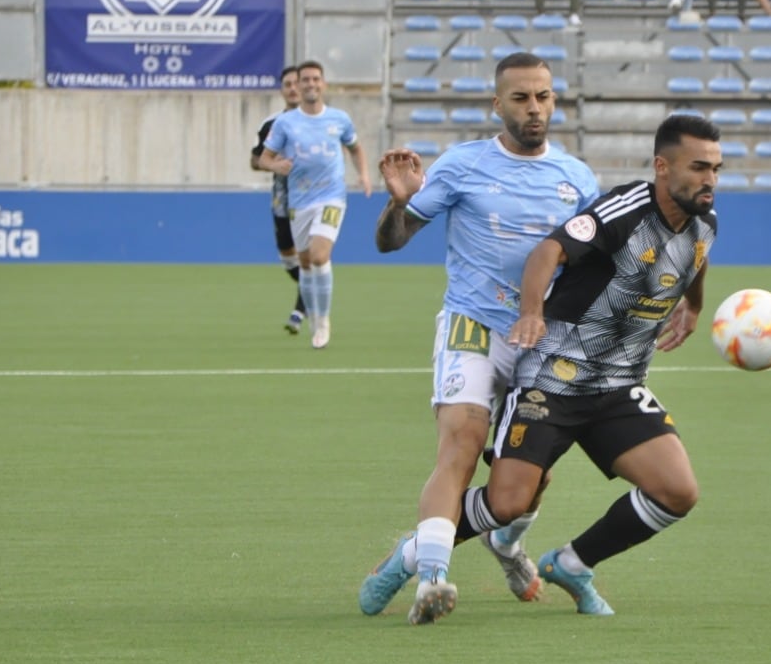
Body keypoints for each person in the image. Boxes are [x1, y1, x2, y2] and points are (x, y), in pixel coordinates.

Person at [359, 52, 602, 625]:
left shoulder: (578, 179)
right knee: (462, 443)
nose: (534, 108)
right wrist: (399, 203)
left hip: (542, 338)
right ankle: (431, 576)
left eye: (542, 96)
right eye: (520, 98)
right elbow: (391, 242)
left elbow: (596, 266)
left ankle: (505, 545)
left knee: (530, 479)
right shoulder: (461, 165)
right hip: (472, 324)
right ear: (498, 105)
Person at [458, 113, 723, 617]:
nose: (710, 179)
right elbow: (549, 250)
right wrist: (532, 313)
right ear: (662, 167)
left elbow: (697, 254)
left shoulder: (704, 220)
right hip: (552, 375)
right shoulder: (624, 209)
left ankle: (573, 563)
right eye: (699, 167)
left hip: (618, 385)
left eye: (716, 168)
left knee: (678, 492)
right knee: (506, 502)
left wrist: (694, 304)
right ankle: (417, 552)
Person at [255, 60, 370, 350]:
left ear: (323, 84)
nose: (309, 84)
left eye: (315, 79)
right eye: (304, 79)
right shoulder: (285, 123)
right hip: (299, 201)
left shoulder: (339, 119)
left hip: (331, 196)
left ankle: (323, 321)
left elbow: (355, 148)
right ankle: (313, 317)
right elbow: (263, 158)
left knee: (319, 257)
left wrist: (364, 174)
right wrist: (276, 165)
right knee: (305, 265)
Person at [249, 66, 306, 334]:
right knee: (287, 257)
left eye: (297, 83)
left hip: (313, 197)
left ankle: (301, 308)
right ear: (282, 90)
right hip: (282, 199)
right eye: (287, 84)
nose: (293, 88)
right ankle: (313, 289)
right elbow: (255, 160)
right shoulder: (271, 124)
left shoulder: (321, 120)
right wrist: (275, 166)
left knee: (311, 254)